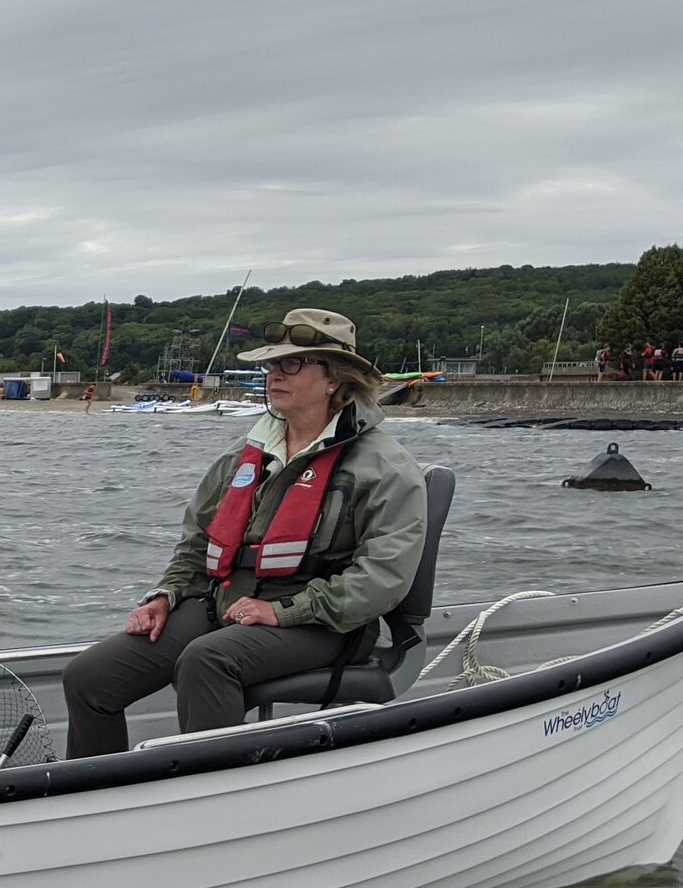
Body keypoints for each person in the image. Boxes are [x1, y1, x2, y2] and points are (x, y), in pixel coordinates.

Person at [61, 308, 428, 759]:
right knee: (89, 678)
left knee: (208, 661)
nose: (274, 374)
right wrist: (167, 594)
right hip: (229, 604)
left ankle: (207, 805)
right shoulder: (247, 454)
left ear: (336, 379)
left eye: (291, 364)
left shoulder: (385, 468)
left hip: (324, 622)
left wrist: (285, 612)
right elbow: (199, 540)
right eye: (271, 364)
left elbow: (383, 578)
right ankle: (96, 800)